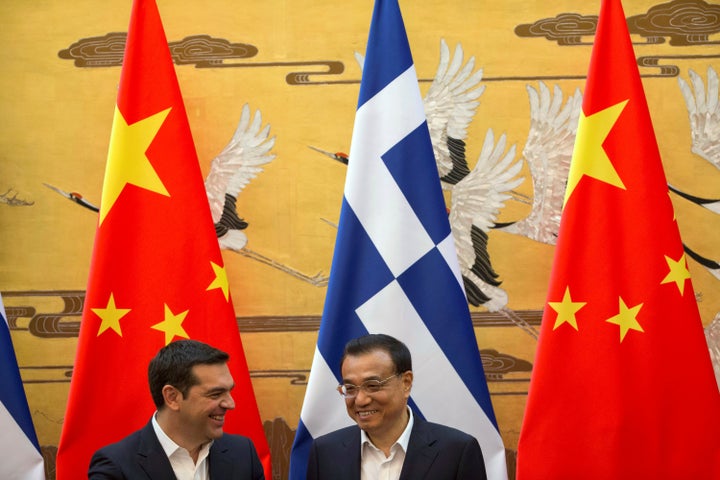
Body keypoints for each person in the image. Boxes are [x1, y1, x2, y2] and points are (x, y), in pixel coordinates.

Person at [306, 333, 487, 480]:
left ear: (406, 383)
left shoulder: (457, 451)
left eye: (373, 385)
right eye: (350, 388)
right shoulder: (324, 452)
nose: (360, 400)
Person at [88, 339, 264, 479]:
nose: (230, 404)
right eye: (215, 394)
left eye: (229, 391)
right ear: (172, 397)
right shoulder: (116, 466)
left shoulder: (243, 454)